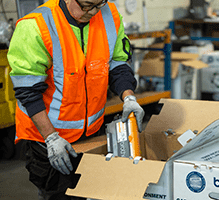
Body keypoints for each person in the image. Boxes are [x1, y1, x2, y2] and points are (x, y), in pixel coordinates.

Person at [7, 0, 145, 199]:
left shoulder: (109, 14)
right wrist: (51, 137)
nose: (93, 12)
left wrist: (129, 98)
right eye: (87, 5)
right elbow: (28, 91)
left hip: (92, 135)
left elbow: (117, 63)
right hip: (49, 140)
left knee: (94, 192)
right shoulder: (36, 25)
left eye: (99, 4)